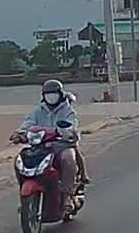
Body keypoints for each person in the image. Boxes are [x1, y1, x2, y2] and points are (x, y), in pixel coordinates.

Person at [14, 79, 86, 212]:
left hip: (61, 146)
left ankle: (67, 195)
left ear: (60, 94)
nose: (51, 97)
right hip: (41, 146)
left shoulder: (67, 110)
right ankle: (26, 199)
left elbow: (71, 126)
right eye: (48, 94)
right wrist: (19, 134)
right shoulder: (38, 110)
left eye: (54, 94)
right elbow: (28, 123)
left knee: (68, 159)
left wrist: (65, 132)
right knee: (20, 160)